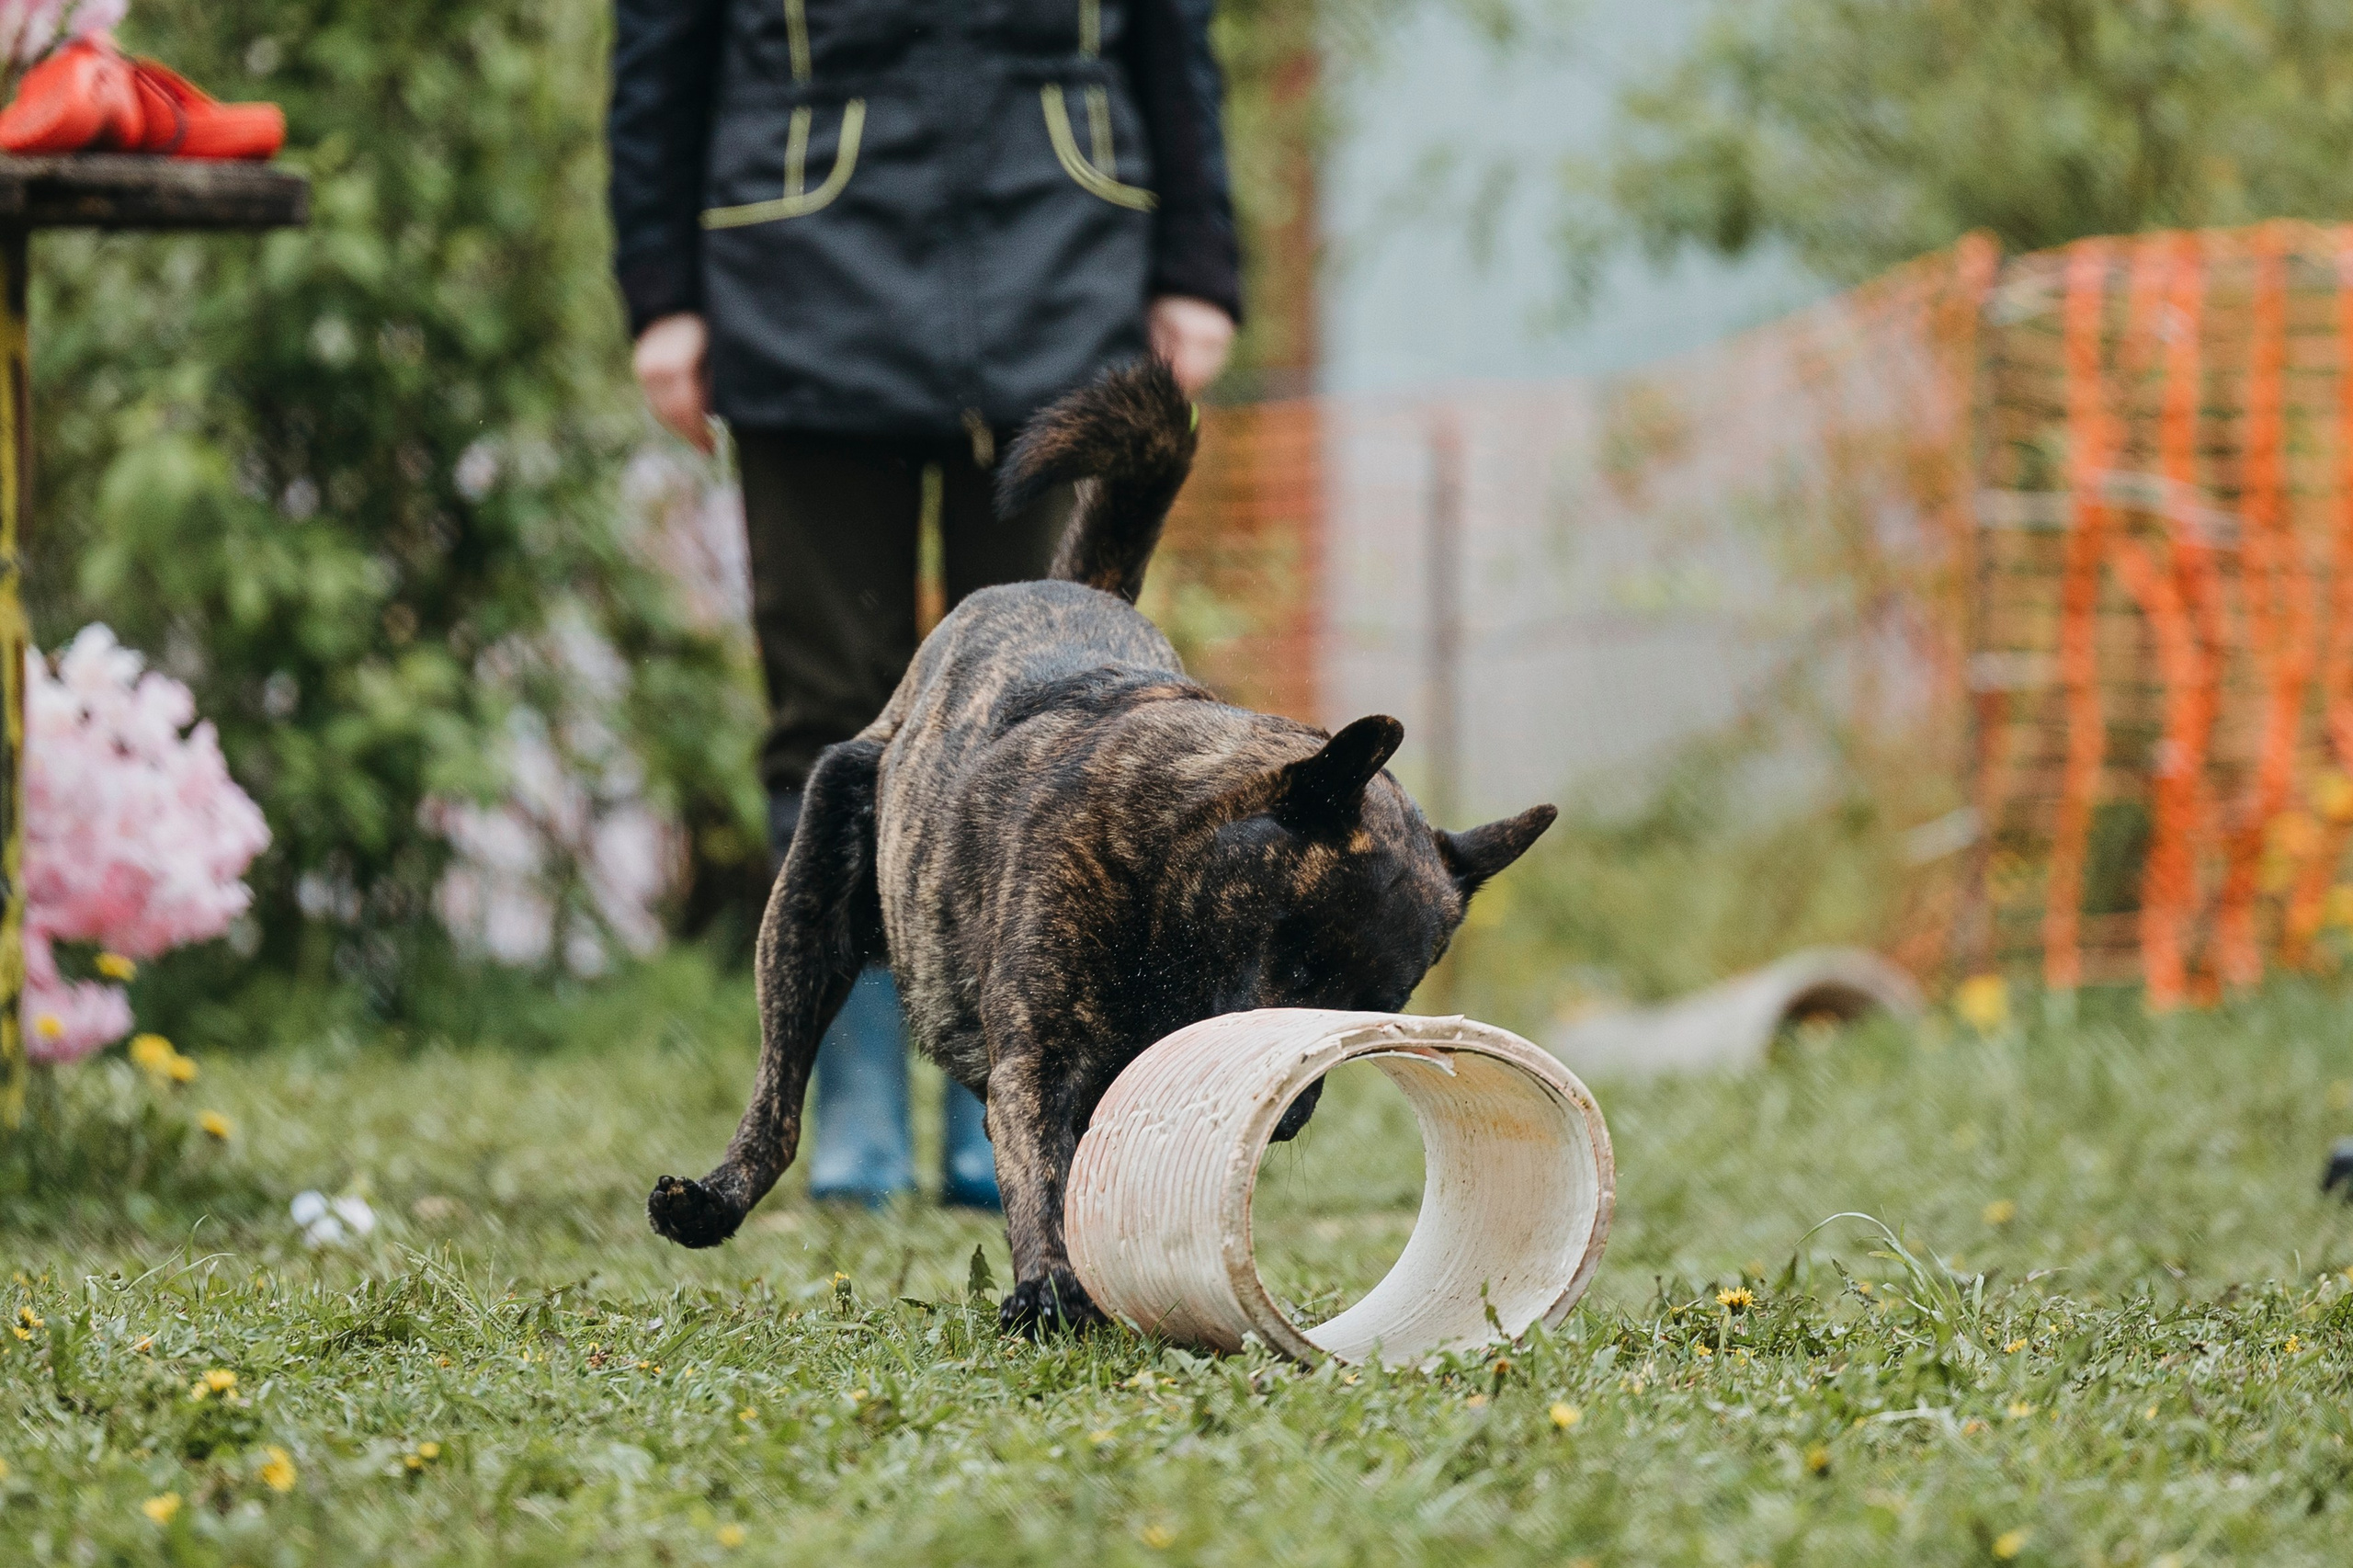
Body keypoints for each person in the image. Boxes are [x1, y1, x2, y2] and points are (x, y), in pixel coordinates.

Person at [608, 0, 1242, 1207]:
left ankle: (1000, 1089)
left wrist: (1197, 263)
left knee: (1049, 725)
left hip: (1059, 256)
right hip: (801, 271)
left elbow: (1174, 32)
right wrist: (660, 288)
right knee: (830, 722)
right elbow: (659, 48)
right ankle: (846, 1103)